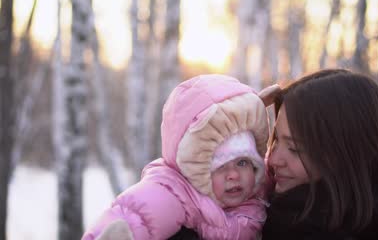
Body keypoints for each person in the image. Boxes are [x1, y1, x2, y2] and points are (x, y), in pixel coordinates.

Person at [261, 69, 378, 239]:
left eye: (295, 149)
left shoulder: (292, 227)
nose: (274, 160)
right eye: (275, 139)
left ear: (346, 156)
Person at [82, 74, 269, 240]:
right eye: (220, 165)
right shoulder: (178, 193)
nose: (234, 175)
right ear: (195, 169)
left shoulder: (263, 187)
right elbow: (138, 214)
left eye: (243, 162)